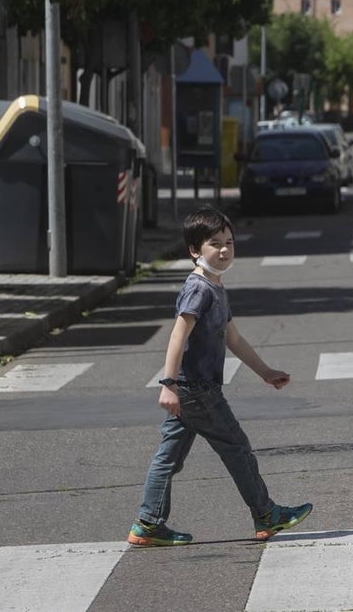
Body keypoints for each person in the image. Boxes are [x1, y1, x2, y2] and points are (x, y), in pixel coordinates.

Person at [126, 206, 312, 547]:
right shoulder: (199, 289)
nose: (224, 250)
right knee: (237, 447)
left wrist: (265, 372)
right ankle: (266, 514)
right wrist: (168, 385)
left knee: (169, 457)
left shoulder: (216, 287)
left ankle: (149, 523)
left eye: (229, 242)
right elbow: (177, 337)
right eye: (215, 243)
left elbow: (233, 338)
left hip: (191, 390)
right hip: (197, 390)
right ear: (195, 250)